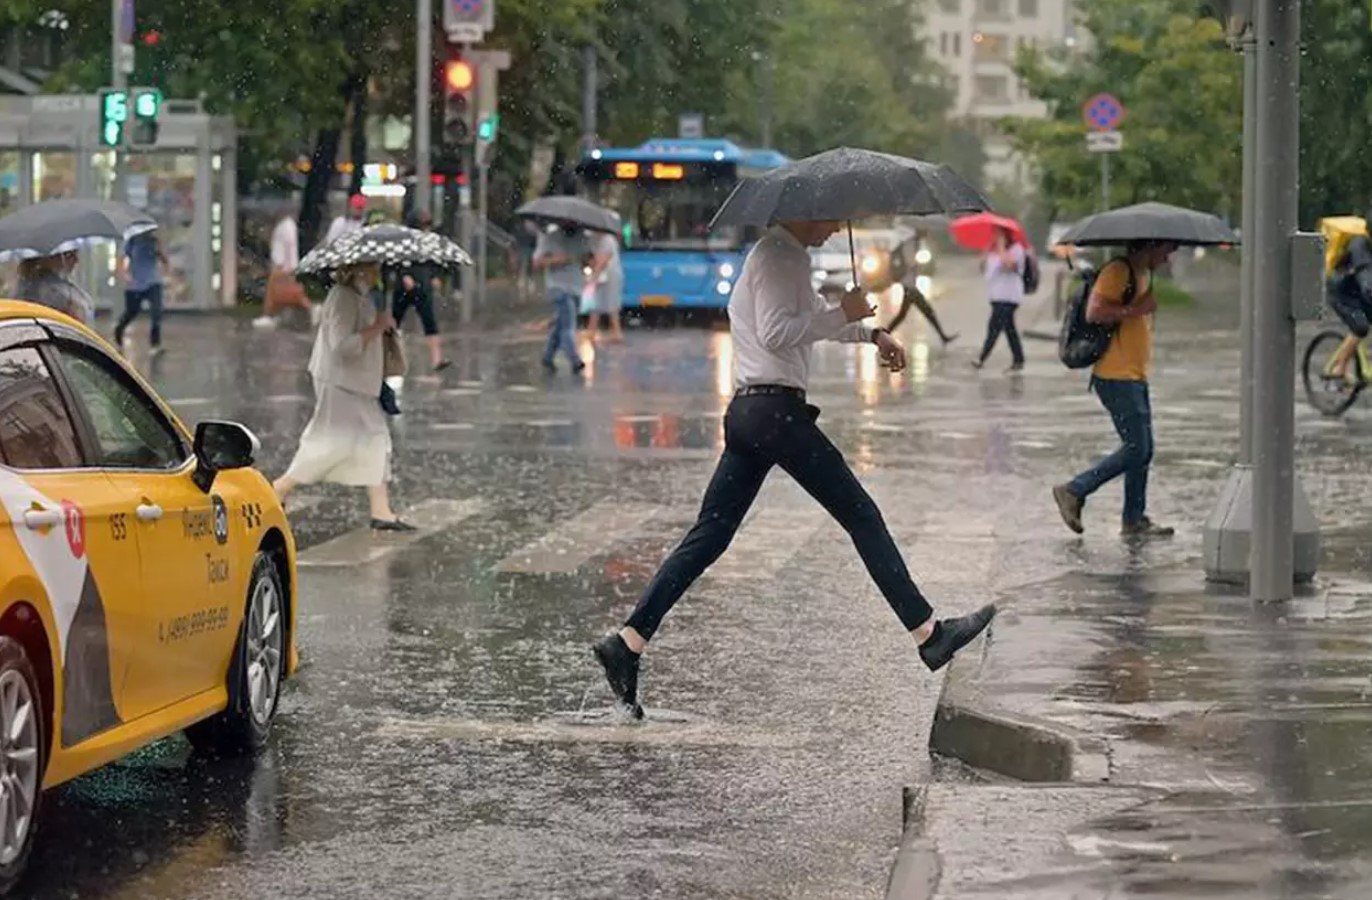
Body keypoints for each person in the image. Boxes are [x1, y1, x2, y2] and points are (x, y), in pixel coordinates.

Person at [591, 218, 997, 718]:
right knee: (861, 515)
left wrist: (868, 330)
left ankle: (628, 643)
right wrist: (840, 315)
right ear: (802, 212)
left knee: (710, 536)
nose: (831, 229)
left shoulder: (773, 257)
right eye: (827, 219)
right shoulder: (783, 257)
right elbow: (780, 333)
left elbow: (804, 325)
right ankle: (929, 634)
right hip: (775, 415)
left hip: (751, 414)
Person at [1052, 240, 1179, 539]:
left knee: (1143, 450)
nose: (1169, 255)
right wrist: (1136, 309)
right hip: (1115, 375)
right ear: (1150, 247)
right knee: (1136, 448)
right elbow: (1094, 312)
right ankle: (1074, 489)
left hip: (1134, 375)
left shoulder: (1141, 274)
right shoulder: (1118, 271)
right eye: (1167, 249)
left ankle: (1133, 519)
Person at [273, 262, 414, 532]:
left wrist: (382, 325)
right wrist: (377, 327)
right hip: (340, 383)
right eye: (374, 267)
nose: (378, 271)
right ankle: (281, 486)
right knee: (333, 442)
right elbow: (342, 346)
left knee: (374, 439)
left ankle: (381, 510)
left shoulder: (358, 296)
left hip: (356, 383)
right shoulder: (343, 297)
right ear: (360, 269)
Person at [392, 210, 451, 372]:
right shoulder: (402, 241)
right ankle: (389, 355)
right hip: (404, 287)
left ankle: (436, 358)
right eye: (422, 225)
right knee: (395, 321)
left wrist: (435, 276)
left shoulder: (430, 242)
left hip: (423, 286)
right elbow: (395, 261)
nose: (426, 228)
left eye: (427, 225)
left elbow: (435, 262)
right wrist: (404, 275)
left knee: (429, 321)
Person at [533, 222, 588, 373]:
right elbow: (536, 263)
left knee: (560, 324)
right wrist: (556, 260)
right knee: (568, 325)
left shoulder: (581, 237)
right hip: (558, 288)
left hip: (576, 287)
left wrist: (586, 259)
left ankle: (548, 356)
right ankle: (575, 360)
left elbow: (587, 260)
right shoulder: (549, 238)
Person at [885, 232, 957, 345]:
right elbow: (910, 263)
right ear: (920, 231)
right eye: (925, 231)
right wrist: (917, 262)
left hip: (910, 285)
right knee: (926, 311)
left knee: (906, 314)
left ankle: (884, 334)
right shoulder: (910, 244)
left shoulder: (915, 243)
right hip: (909, 285)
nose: (927, 233)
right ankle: (943, 336)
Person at [1324, 216, 1372, 381]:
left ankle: (1361, 366)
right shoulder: (1359, 246)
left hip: (1358, 292)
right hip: (1342, 294)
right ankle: (1339, 368)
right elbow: (1365, 277)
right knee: (1360, 326)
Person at [972, 227, 1026, 371]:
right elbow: (984, 270)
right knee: (1009, 329)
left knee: (994, 327)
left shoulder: (1016, 249)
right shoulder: (993, 252)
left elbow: (1009, 265)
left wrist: (1001, 247)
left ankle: (981, 358)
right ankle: (1019, 359)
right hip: (996, 296)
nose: (995, 237)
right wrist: (985, 254)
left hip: (1009, 297)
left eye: (998, 234)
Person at [254, 211, 318, 328]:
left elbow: (288, 247)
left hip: (283, 266)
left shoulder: (286, 226)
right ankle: (311, 309)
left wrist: (285, 266)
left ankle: (268, 315)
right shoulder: (285, 225)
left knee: (278, 292)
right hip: (284, 266)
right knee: (291, 294)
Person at [113, 232, 168, 353]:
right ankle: (118, 332)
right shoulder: (132, 241)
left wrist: (159, 248)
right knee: (131, 312)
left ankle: (155, 343)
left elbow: (164, 260)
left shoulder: (154, 241)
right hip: (136, 284)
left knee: (156, 312)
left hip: (153, 281)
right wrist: (124, 274)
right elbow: (122, 258)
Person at [16, 250, 94, 325]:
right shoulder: (48, 289)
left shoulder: (27, 284)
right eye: (69, 255)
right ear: (51, 258)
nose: (76, 260)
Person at [584, 229, 625, 343]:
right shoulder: (593, 238)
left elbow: (603, 260)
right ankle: (591, 330)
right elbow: (593, 258)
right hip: (602, 274)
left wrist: (593, 276)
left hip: (610, 275)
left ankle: (617, 332)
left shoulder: (608, 240)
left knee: (611, 302)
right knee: (596, 301)